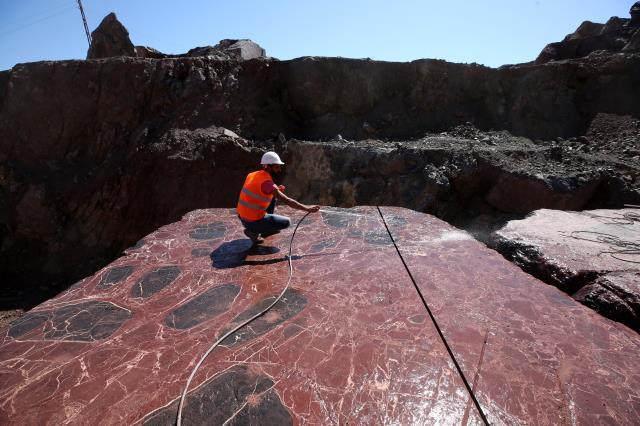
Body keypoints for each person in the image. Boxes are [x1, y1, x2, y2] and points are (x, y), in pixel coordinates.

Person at [237, 151, 320, 244]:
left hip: (242, 216)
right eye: (276, 167)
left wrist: (276, 190)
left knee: (272, 196)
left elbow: (258, 190)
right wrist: (307, 208)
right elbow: (288, 201)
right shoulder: (267, 183)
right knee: (286, 222)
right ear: (267, 167)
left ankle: (264, 230)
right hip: (251, 222)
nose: (279, 170)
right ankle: (252, 231)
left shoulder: (252, 174)